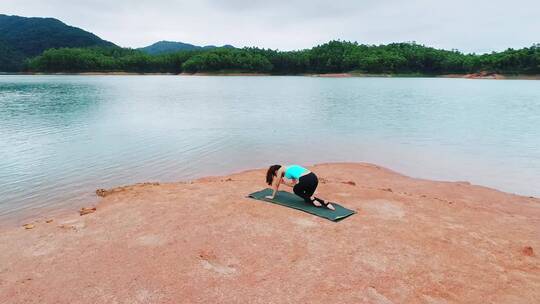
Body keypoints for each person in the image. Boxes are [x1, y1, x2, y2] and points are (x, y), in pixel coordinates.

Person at [265, 164, 335, 210]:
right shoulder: (290, 168)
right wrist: (284, 183)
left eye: (275, 174)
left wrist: (273, 196)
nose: (277, 176)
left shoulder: (281, 169)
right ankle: (325, 202)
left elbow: (277, 184)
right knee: (307, 198)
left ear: (276, 171)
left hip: (306, 179)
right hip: (314, 178)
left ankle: (312, 198)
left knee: (296, 190)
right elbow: (294, 184)